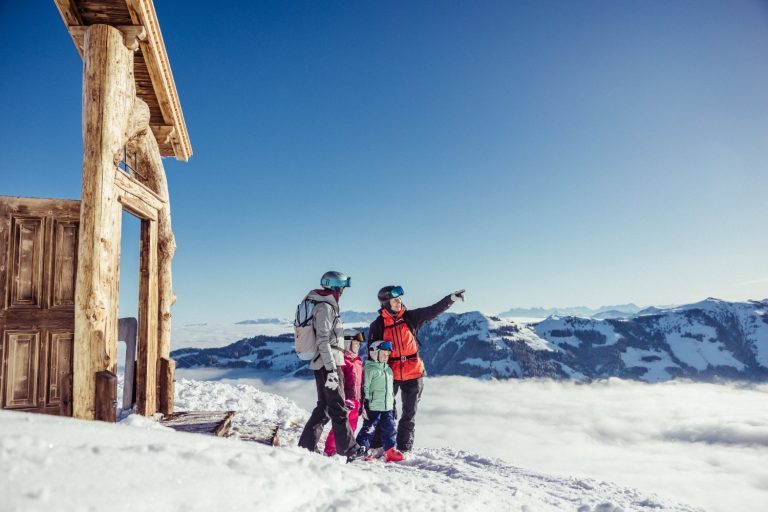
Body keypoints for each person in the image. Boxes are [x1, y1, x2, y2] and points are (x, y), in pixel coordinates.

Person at [367, 285, 465, 455]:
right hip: (390, 373)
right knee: (386, 410)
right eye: (395, 300)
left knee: (409, 413)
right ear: (386, 303)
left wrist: (451, 299)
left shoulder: (410, 317)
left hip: (413, 372)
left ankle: (404, 449)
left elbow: (432, 311)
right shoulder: (378, 325)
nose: (399, 302)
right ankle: (378, 446)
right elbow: (371, 353)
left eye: (399, 299)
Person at [297, 271, 364, 461]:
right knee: (338, 406)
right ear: (337, 287)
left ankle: (306, 446)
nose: (343, 291)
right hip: (329, 364)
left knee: (324, 408)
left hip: (324, 364)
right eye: (342, 287)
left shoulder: (322, 304)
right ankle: (349, 448)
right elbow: (323, 340)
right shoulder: (326, 307)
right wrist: (332, 369)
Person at [355, 340, 403, 462]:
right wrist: (364, 404)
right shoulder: (370, 369)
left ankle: (390, 450)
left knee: (390, 429)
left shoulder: (388, 370)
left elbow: (390, 391)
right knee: (369, 429)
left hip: (387, 407)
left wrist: (393, 405)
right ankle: (362, 449)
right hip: (373, 406)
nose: (386, 357)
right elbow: (364, 387)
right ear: (375, 353)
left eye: (387, 355)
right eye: (383, 354)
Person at [323, 329, 364, 456]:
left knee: (352, 426)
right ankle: (330, 450)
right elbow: (341, 383)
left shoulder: (358, 361)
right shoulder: (342, 361)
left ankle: (344, 450)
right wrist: (345, 399)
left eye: (358, 344)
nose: (358, 347)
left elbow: (361, 384)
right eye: (355, 344)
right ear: (347, 343)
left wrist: (362, 402)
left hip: (356, 401)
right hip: (346, 401)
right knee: (341, 427)